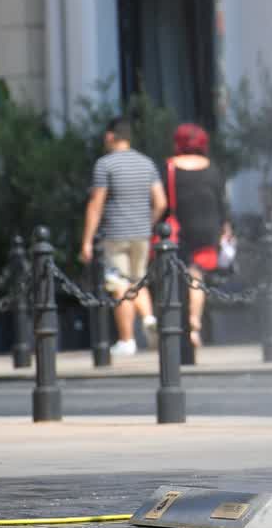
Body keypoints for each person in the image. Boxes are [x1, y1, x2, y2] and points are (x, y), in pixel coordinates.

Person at [79, 117, 165, 357]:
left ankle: (127, 340)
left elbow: (95, 205)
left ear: (110, 136)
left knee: (119, 286)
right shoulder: (147, 163)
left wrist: (86, 240)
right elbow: (161, 202)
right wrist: (147, 222)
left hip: (115, 234)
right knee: (138, 281)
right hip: (142, 233)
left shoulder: (105, 165)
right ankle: (148, 318)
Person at [164, 123, 231, 349]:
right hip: (208, 228)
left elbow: (163, 201)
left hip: (180, 228)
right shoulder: (212, 168)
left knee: (180, 276)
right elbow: (221, 201)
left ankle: (187, 324)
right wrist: (225, 226)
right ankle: (195, 323)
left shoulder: (171, 166)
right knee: (196, 276)